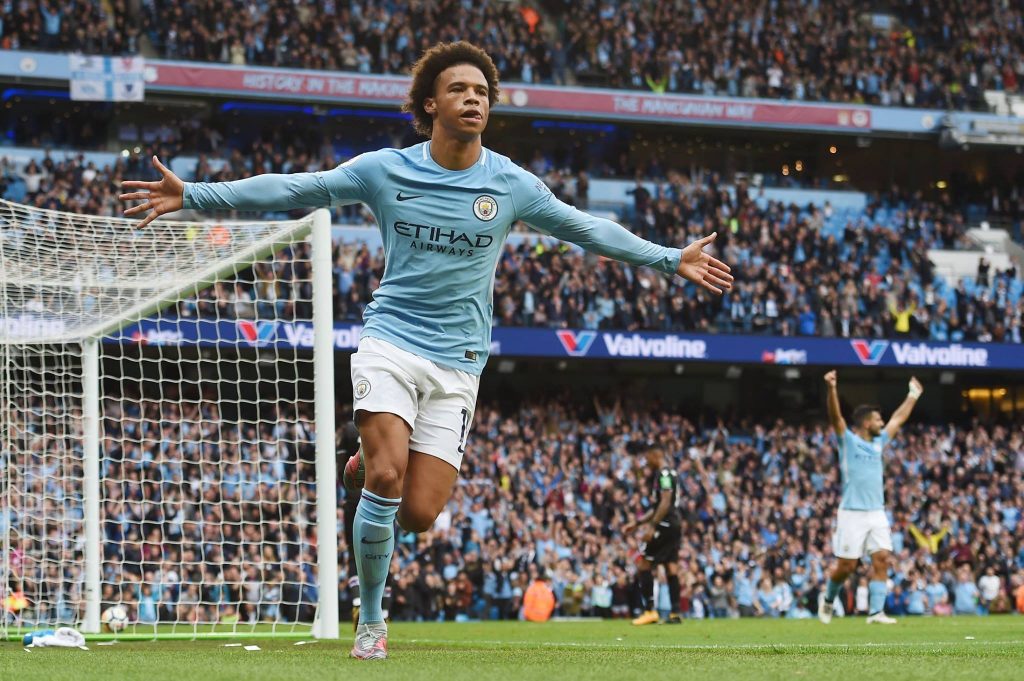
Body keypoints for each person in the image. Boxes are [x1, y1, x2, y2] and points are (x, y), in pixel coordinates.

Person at [118, 41, 733, 660]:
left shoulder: (510, 183)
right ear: (431, 104)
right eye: (461, 89)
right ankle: (372, 620)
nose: (474, 99)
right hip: (390, 340)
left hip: (460, 362)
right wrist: (195, 195)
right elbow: (298, 186)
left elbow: (584, 227)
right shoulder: (386, 170)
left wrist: (667, 258)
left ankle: (360, 466)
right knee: (388, 476)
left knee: (419, 514)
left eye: (483, 93)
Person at [818, 370, 923, 625]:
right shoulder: (849, 442)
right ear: (866, 423)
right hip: (851, 512)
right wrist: (832, 389)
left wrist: (913, 395)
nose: (882, 422)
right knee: (847, 566)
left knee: (882, 558)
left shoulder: (879, 443)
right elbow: (836, 417)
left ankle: (876, 613)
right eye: (878, 419)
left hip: (876, 511)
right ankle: (829, 598)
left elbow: (898, 420)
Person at [622, 447, 684, 625]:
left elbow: (664, 501)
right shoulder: (671, 472)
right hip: (674, 524)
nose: (646, 461)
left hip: (664, 525)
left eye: (647, 457)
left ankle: (650, 611)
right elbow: (659, 505)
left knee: (644, 565)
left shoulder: (663, 474)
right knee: (671, 566)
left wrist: (652, 526)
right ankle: (675, 613)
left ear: (656, 455)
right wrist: (638, 523)